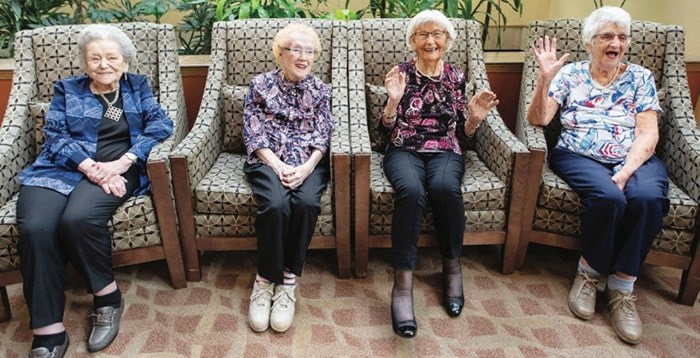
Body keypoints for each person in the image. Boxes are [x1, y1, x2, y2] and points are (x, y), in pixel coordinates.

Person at [16, 24, 173, 357]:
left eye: (111, 57)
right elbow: (55, 137)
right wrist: (91, 168)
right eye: (95, 58)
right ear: (84, 62)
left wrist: (126, 160)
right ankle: (48, 329)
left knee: (78, 220)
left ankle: (107, 296)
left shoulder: (137, 87)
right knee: (35, 228)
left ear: (125, 61)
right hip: (60, 170)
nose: (103, 64)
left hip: (119, 168)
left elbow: (161, 124)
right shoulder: (67, 89)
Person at [527, 6, 668, 344]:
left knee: (648, 198)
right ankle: (589, 272)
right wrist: (545, 77)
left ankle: (622, 285)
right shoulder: (570, 74)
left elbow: (648, 133)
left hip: (634, 156)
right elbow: (539, 119)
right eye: (607, 36)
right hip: (578, 154)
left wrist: (627, 170)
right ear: (590, 42)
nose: (615, 43)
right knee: (608, 198)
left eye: (622, 37)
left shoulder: (641, 77)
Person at [381, 10, 499, 338]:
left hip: (446, 149)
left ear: (447, 40)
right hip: (403, 148)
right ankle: (402, 285)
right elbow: (383, 131)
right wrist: (392, 102)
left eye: (437, 34)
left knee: (445, 188)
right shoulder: (400, 74)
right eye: (423, 35)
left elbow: (462, 133)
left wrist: (474, 117)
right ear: (413, 41)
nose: (430, 40)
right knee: (412, 192)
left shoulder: (456, 76)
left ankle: (452, 267)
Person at [243, 23, 334, 334]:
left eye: (310, 52)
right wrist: (278, 165)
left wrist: (307, 168)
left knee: (308, 202)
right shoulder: (259, 85)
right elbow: (252, 133)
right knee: (275, 204)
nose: (304, 57)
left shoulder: (321, 91)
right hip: (267, 160)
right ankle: (265, 280)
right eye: (296, 49)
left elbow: (323, 136)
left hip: (309, 162)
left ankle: (288, 281)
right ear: (279, 53)